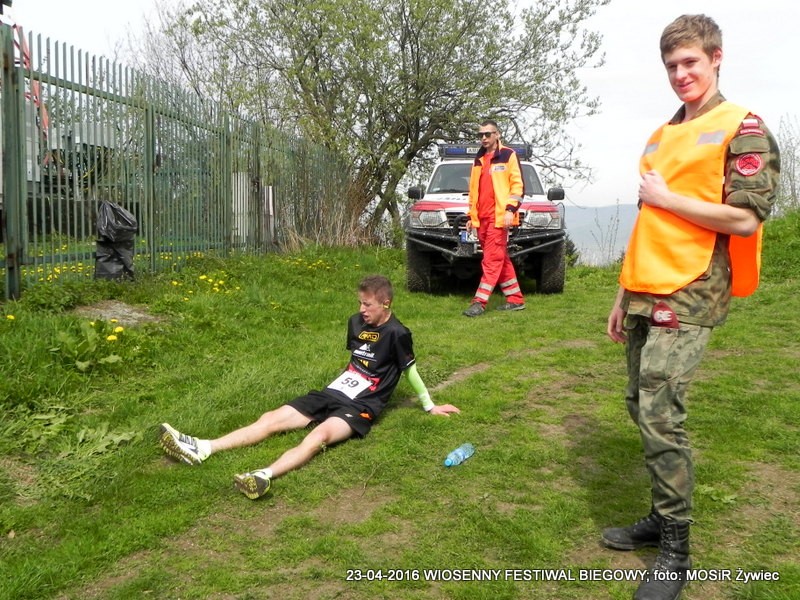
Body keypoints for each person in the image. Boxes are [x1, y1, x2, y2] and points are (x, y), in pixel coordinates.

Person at [603, 14, 779, 600]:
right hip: (646, 286)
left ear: (716, 58)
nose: (681, 74)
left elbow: (745, 218)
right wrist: (623, 291)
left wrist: (667, 196)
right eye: (672, 66)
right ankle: (660, 518)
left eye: (690, 63)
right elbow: (648, 219)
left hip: (694, 286)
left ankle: (675, 547)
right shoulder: (661, 135)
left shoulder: (742, 128)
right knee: (638, 404)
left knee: (660, 412)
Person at [159, 275, 460, 500]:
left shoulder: (398, 333)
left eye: (367, 304)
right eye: (359, 302)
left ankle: (262, 476)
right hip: (333, 392)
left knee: (319, 437)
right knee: (271, 418)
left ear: (386, 303)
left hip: (361, 406)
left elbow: (410, 371)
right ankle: (204, 448)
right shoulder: (356, 323)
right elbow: (357, 359)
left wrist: (429, 406)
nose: (361, 309)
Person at [462, 119, 526, 317]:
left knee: (491, 260)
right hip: (481, 219)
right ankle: (515, 299)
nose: (483, 138)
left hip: (498, 219)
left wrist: (510, 210)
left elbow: (518, 187)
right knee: (500, 259)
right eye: (480, 134)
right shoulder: (479, 159)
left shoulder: (508, 155)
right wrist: (471, 216)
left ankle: (479, 302)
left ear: (497, 134)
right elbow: (473, 191)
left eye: (487, 134)